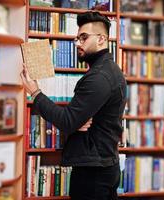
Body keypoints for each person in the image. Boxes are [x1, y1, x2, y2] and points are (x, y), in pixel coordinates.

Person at [21, 11, 127, 200]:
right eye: (78, 38)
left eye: (84, 37)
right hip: (101, 166)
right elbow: (74, 120)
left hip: (94, 174)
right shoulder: (106, 70)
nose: (78, 43)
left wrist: (35, 92)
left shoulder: (99, 77)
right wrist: (76, 121)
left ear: (102, 39)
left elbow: (68, 121)